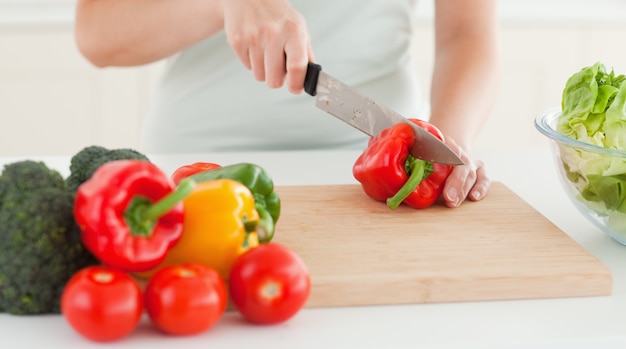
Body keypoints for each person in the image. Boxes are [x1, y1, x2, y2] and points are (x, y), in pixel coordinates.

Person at [74, 0, 499, 208]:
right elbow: (98, 33)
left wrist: (447, 146)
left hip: (388, 179)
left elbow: (468, 33)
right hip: (197, 165)